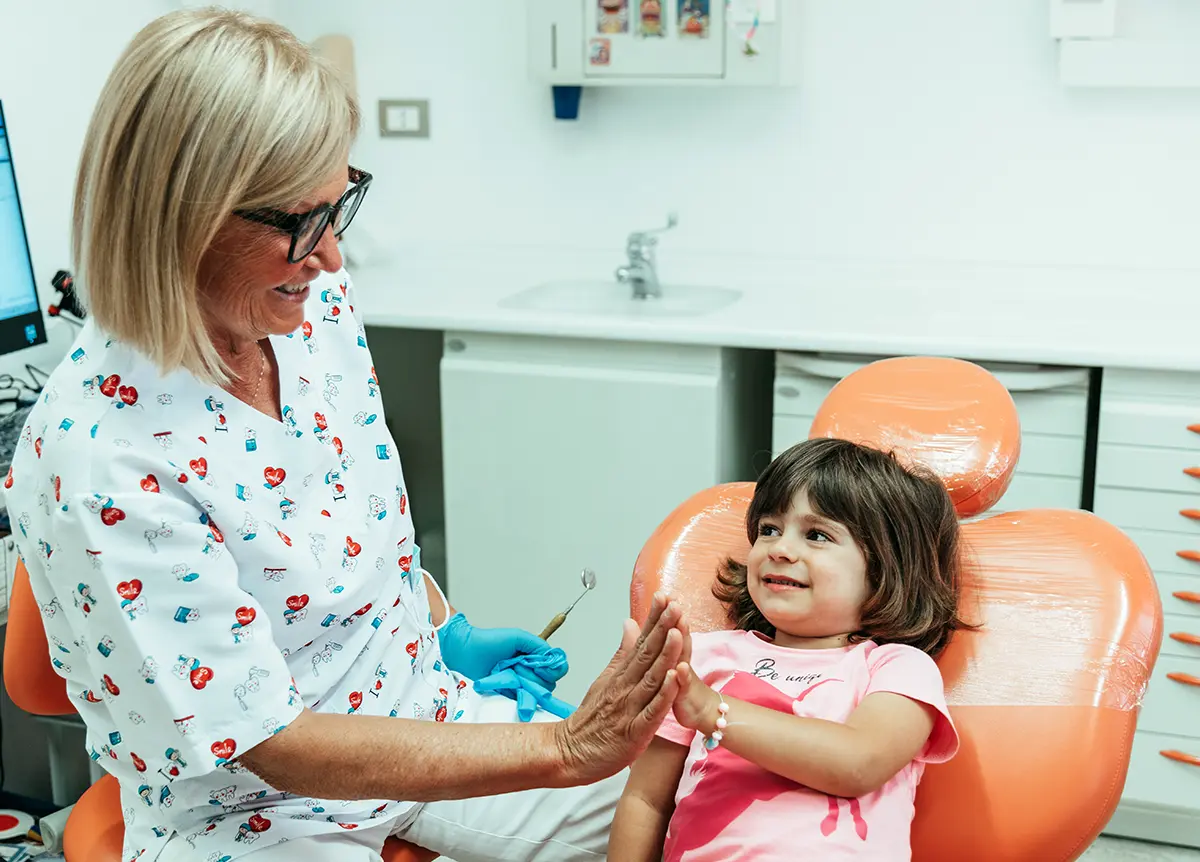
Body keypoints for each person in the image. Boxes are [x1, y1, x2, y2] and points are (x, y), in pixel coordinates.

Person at [4, 8, 689, 861]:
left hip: (415, 709)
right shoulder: (101, 457)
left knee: (696, 815)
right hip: (252, 811)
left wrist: (440, 624)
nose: (331, 258)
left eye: (342, 206)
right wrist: (561, 749)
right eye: (302, 222)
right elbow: (271, 741)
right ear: (182, 218)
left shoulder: (307, 305)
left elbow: (345, 515)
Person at [608, 437, 972, 861]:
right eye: (769, 530)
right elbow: (646, 801)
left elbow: (860, 762)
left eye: (816, 535)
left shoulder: (897, 667)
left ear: (887, 570)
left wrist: (713, 712)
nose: (780, 549)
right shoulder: (703, 658)